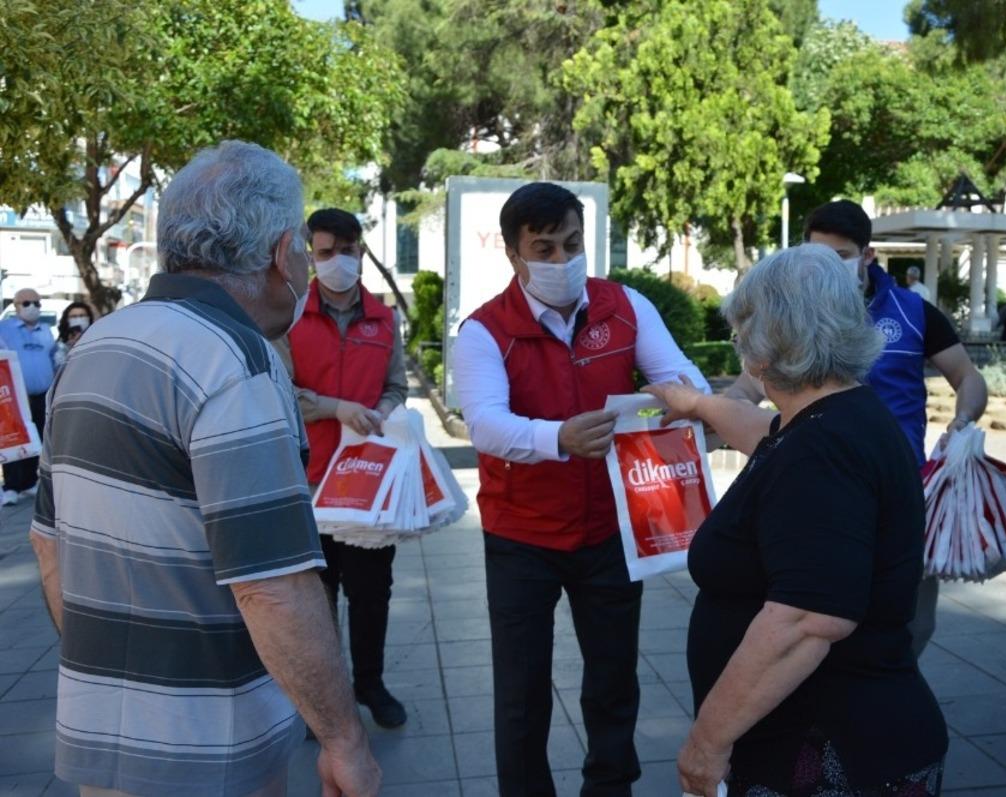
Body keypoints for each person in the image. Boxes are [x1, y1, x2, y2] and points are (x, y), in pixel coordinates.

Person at [28, 140, 381, 797]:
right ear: (281, 254)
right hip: (213, 749)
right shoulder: (233, 361)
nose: (309, 265)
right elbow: (272, 584)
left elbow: (48, 544)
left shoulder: (94, 345)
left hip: (99, 743)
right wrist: (343, 739)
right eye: (305, 248)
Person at [646, 243, 948, 797]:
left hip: (829, 753)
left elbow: (806, 620)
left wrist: (706, 742)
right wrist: (699, 404)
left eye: (743, 333)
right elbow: (769, 437)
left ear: (765, 350)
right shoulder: (840, 415)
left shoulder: (823, 449)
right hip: (850, 737)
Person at [451, 182, 710, 796]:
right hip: (522, 535)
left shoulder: (624, 307)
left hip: (609, 530)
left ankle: (610, 787)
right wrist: (557, 439)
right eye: (543, 248)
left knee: (615, 679)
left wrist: (665, 405)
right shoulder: (485, 331)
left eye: (571, 245)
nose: (561, 261)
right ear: (514, 255)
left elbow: (681, 378)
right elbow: (486, 425)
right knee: (521, 690)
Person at [724, 200, 988, 658]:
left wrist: (961, 423)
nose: (826, 267)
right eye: (817, 256)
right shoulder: (792, 319)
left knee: (907, 627)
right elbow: (743, 391)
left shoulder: (913, 314)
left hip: (901, 492)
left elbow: (968, 377)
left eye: (840, 256)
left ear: (867, 256)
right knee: (814, 618)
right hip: (817, 492)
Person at [273, 207, 409, 729]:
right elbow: (282, 393)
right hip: (308, 482)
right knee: (316, 597)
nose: (337, 262)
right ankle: (324, 701)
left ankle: (370, 684)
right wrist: (336, 408)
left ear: (360, 253)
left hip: (369, 482)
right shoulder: (290, 316)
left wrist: (389, 411)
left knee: (373, 592)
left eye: (346, 252)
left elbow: (394, 385)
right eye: (325, 253)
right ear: (311, 255)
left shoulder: (382, 317)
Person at [0, 288, 56, 505]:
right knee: (15, 437)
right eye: (26, 303)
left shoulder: (46, 330)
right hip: (14, 396)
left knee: (38, 436)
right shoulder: (5, 329)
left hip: (42, 393)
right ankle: (12, 485)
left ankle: (30, 481)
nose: (32, 307)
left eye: (36, 303)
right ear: (16, 305)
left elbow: (52, 357)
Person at [52, 301, 96, 369]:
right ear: (67, 320)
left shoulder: (96, 339)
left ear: (88, 318)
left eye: (82, 316)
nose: (78, 319)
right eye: (74, 316)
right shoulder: (60, 345)